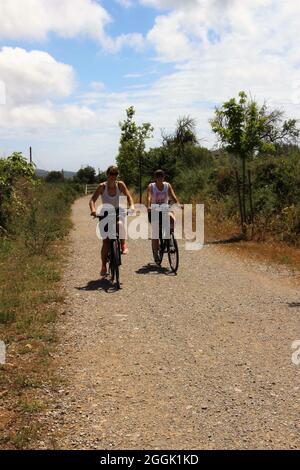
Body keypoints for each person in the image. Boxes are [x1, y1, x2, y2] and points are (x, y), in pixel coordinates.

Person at [89, 165, 135, 276]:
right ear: (107, 174)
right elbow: (92, 200)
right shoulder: (102, 187)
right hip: (105, 213)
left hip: (118, 211)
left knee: (120, 224)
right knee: (106, 242)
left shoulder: (120, 185)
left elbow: (129, 197)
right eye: (111, 174)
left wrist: (132, 206)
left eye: (115, 174)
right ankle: (103, 266)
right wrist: (93, 210)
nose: (113, 176)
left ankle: (123, 245)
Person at [147, 169, 181, 262]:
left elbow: (172, 195)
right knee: (156, 232)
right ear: (155, 178)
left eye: (161, 176)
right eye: (158, 176)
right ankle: (155, 252)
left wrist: (177, 203)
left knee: (172, 218)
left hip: (165, 208)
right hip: (154, 209)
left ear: (164, 177)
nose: (160, 178)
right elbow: (149, 196)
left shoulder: (167, 185)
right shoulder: (151, 186)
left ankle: (169, 238)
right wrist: (149, 206)